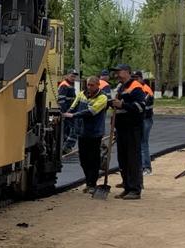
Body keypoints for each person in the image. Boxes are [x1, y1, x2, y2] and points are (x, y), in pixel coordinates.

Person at [108, 63, 147, 199]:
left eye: (119, 72)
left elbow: (141, 107)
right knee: (123, 159)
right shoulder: (121, 87)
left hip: (132, 128)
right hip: (122, 128)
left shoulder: (136, 87)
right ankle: (127, 186)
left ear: (127, 72)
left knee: (132, 159)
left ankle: (135, 189)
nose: (117, 74)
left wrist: (122, 104)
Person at [64, 76, 109, 192]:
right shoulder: (81, 94)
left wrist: (74, 116)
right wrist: (66, 114)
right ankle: (88, 181)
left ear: (97, 85)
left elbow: (91, 112)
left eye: (92, 85)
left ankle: (92, 183)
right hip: (82, 132)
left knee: (93, 158)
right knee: (83, 159)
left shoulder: (103, 98)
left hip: (95, 132)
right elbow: (73, 107)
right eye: (88, 85)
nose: (89, 87)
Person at [133, 70, 155, 174]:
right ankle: (141, 166)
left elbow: (143, 107)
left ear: (141, 78)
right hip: (141, 119)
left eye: (137, 78)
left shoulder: (145, 90)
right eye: (133, 78)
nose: (135, 80)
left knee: (143, 143)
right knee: (140, 143)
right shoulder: (138, 88)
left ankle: (146, 167)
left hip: (145, 119)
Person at [58, 68, 78, 152]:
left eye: (74, 77)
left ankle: (64, 147)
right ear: (67, 75)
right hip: (68, 112)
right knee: (75, 129)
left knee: (66, 130)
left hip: (70, 111)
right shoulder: (64, 85)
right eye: (72, 76)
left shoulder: (69, 84)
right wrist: (64, 112)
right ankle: (67, 146)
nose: (73, 78)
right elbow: (61, 100)